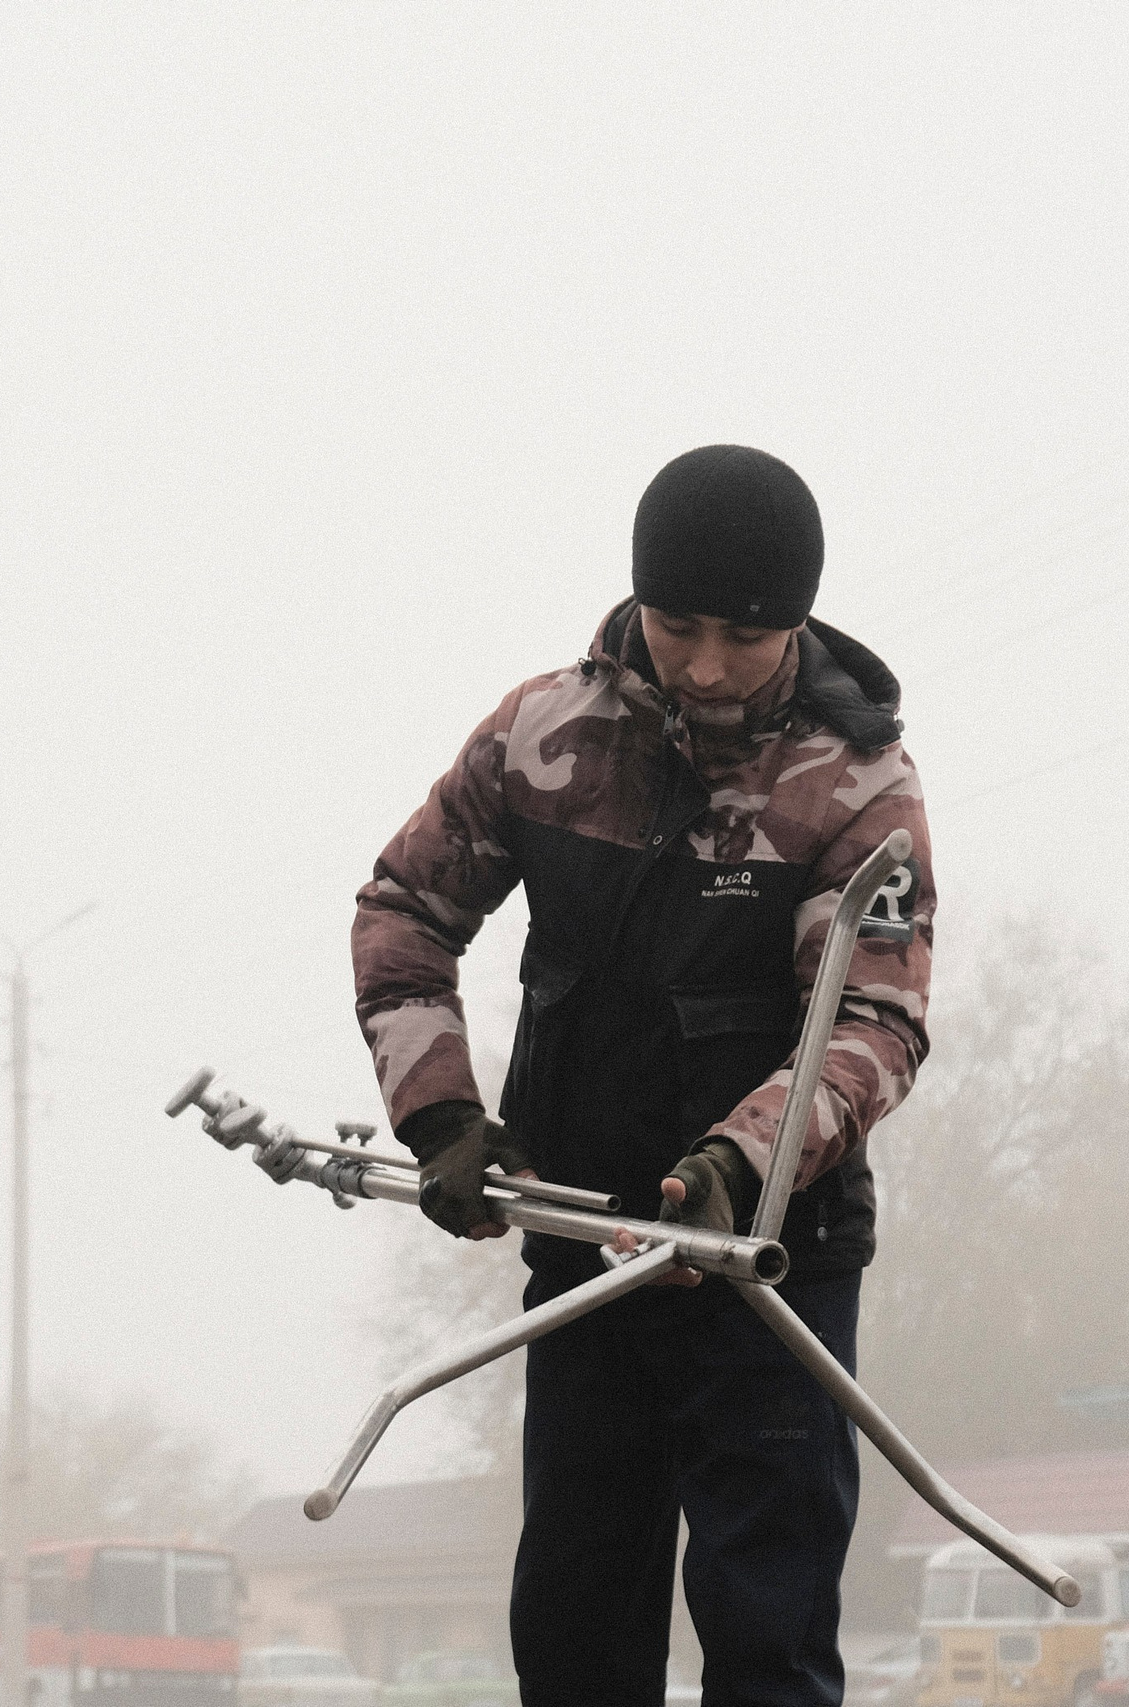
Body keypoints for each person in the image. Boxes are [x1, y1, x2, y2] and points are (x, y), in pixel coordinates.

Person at [350, 445, 935, 1707]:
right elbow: (404, 914)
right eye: (679, 627)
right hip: (584, 1257)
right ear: (636, 602)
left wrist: (746, 1160)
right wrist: (441, 1112)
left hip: (769, 1269)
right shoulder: (538, 737)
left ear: (797, 622)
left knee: (767, 1638)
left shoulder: (858, 785)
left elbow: (875, 1026)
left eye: (746, 633)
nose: (709, 664)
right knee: (574, 1631)